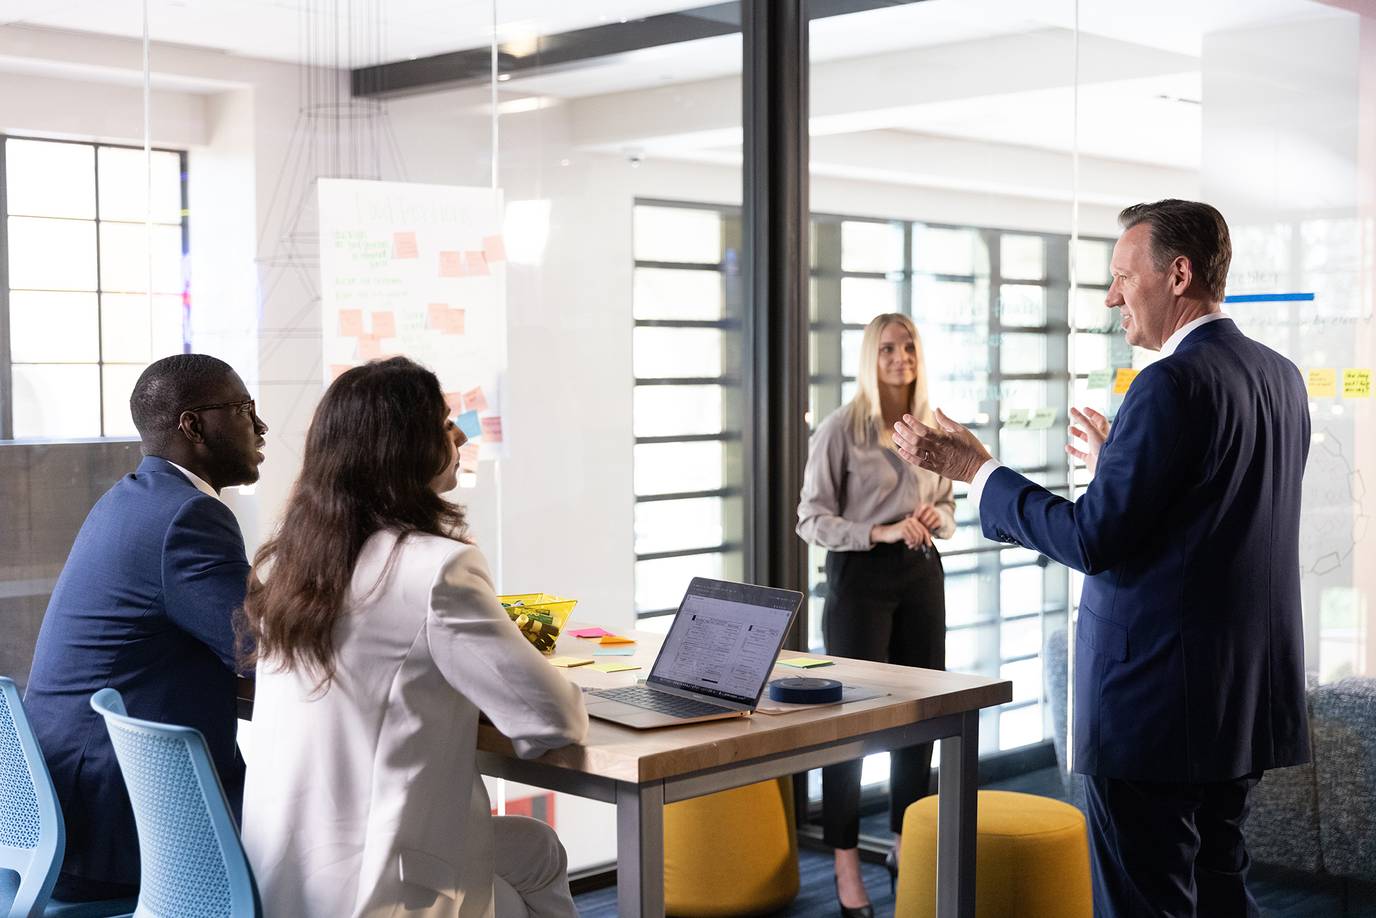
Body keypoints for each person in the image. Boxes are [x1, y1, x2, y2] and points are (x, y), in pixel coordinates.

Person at [893, 200, 1310, 918]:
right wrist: (1123, 459)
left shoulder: (1168, 384)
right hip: (1241, 700)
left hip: (1156, 707)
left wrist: (980, 472)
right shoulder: (1279, 376)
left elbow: (1092, 540)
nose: (1112, 296)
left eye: (1123, 276)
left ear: (1178, 275)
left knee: (1146, 901)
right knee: (1219, 889)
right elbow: (1212, 518)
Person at [240, 357, 587, 918]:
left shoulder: (288, 564)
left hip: (282, 876)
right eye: (443, 422)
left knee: (536, 847)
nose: (458, 435)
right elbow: (552, 719)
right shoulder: (438, 568)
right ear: (405, 449)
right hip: (378, 889)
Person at [22, 353, 268, 901]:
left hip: (57, 815)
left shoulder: (131, 499)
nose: (261, 425)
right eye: (244, 409)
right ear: (194, 425)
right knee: (334, 843)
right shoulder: (188, 516)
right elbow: (266, 651)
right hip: (116, 825)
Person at [797, 313, 955, 917]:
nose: (899, 357)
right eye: (887, 348)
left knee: (919, 720)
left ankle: (900, 843)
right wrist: (880, 529)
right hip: (860, 578)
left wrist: (939, 516)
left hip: (920, 573)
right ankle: (842, 857)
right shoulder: (842, 429)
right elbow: (810, 518)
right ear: (871, 357)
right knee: (850, 727)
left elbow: (944, 499)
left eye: (908, 345)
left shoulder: (931, 426)